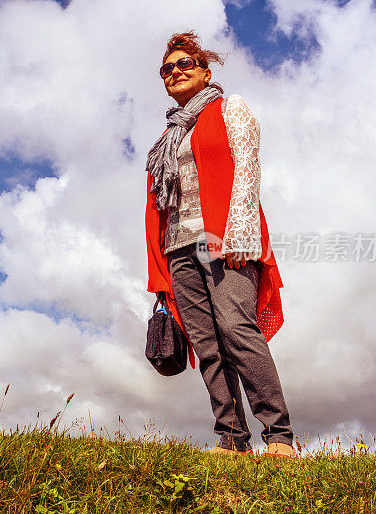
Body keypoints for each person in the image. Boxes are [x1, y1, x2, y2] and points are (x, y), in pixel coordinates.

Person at [144, 31, 295, 457]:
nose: (174, 72)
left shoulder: (231, 109)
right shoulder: (166, 138)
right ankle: (232, 439)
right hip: (177, 250)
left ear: (205, 73)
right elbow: (156, 209)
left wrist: (242, 232)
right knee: (206, 345)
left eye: (183, 64)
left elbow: (248, 168)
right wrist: (159, 273)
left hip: (225, 241)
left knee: (236, 329)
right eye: (166, 69)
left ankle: (279, 436)